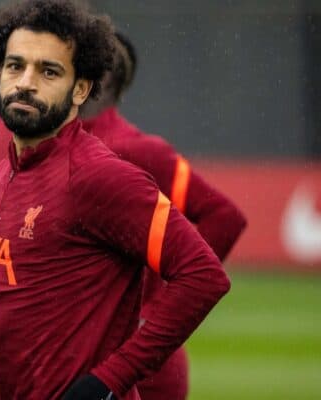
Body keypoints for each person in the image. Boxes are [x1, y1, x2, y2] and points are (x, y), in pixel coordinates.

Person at [0, 1, 231, 399]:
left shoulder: (100, 175)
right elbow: (17, 299)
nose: (26, 82)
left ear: (82, 89)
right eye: (15, 65)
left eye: (49, 71)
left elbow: (204, 275)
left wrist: (110, 379)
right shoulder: (8, 169)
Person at [79, 33, 247, 400]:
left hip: (137, 363)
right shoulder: (56, 148)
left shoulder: (138, 150)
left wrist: (155, 307)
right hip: (75, 353)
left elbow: (225, 216)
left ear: (102, 80)